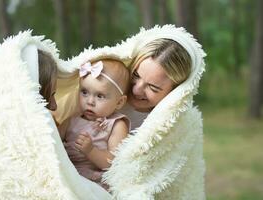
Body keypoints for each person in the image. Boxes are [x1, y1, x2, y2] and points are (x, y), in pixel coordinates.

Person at [53, 25, 206, 199]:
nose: (137, 90)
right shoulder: (107, 88)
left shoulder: (175, 126)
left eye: (153, 87)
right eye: (136, 75)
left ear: (174, 94)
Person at [59, 58, 130, 189]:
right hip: (67, 175)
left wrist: (91, 151)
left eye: (100, 96)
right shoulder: (71, 120)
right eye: (84, 92)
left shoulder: (116, 125)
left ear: (119, 102)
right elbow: (52, 143)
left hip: (93, 181)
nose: (90, 101)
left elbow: (115, 164)